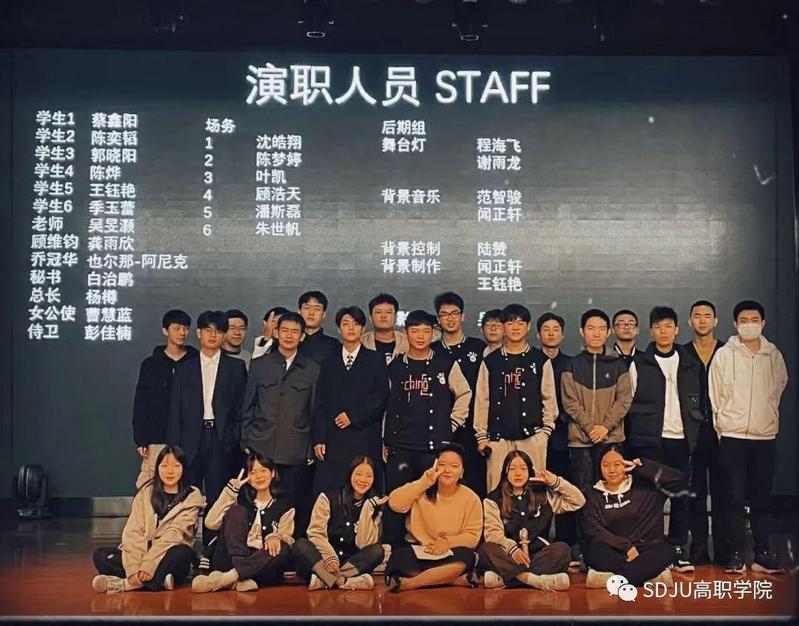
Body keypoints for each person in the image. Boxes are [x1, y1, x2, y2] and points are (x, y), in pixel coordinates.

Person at [709, 300, 788, 575]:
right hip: (732, 436)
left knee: (761, 499)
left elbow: (778, 388)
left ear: (763, 323)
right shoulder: (724, 355)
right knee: (732, 498)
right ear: (735, 324)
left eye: (754, 320)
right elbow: (715, 394)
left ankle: (762, 553)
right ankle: (736, 554)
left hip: (764, 437)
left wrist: (766, 417)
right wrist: (725, 424)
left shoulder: (773, 355)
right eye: (744, 320)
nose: (749, 325)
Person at [382, 310, 472, 543]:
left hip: (433, 447)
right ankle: (392, 548)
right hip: (400, 446)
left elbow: (464, 393)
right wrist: (384, 438)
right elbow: (384, 404)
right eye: (415, 331)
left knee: (430, 500)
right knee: (396, 500)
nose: (421, 336)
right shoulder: (394, 366)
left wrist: (452, 423)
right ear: (406, 333)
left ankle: (428, 544)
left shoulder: (445, 363)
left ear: (433, 333)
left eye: (426, 331)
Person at [626, 306, 703, 573]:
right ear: (651, 331)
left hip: (682, 440)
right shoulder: (639, 363)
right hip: (651, 441)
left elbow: (699, 401)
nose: (664, 331)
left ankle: (678, 548)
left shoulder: (690, 363)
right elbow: (629, 402)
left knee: (681, 496)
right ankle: (653, 549)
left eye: (668, 326)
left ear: (677, 329)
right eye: (658, 327)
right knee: (650, 498)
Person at [167, 310, 247, 542]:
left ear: (224, 335)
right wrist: (173, 447)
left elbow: (241, 408)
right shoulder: (184, 368)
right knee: (186, 496)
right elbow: (175, 410)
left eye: (218, 331)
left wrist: (234, 438)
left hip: (221, 440)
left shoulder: (236, 368)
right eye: (208, 330)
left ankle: (212, 548)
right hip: (190, 439)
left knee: (217, 495)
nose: (213, 335)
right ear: (199, 333)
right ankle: (182, 545)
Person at [561, 309, 632, 566]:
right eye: (591, 328)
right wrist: (591, 427)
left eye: (601, 328)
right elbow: (569, 402)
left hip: (611, 441)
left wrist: (604, 427)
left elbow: (624, 400)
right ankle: (584, 549)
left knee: (611, 495)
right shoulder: (572, 365)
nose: (596, 333)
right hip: (580, 441)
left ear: (608, 332)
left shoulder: (618, 365)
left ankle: (612, 547)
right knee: (583, 495)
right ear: (582, 331)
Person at [241, 311, 320, 538]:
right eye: (284, 330)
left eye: (295, 332)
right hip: (261, 445)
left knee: (291, 503)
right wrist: (245, 440)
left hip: (295, 449)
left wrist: (310, 448)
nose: (289, 336)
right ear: (276, 332)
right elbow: (248, 406)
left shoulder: (313, 369)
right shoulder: (259, 365)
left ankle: (288, 547)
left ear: (302, 336)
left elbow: (314, 412)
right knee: (256, 501)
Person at [92, 445, 204, 593]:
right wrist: (134, 567)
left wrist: (149, 564)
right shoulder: (146, 493)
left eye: (176, 466)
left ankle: (126, 584)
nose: (170, 471)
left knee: (182, 554)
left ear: (184, 468)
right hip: (141, 554)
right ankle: (159, 580)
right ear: (157, 468)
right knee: (101, 556)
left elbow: (174, 535)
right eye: (164, 466)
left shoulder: (192, 497)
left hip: (167, 554)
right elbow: (133, 532)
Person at [474, 304, 557, 492]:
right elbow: (482, 401)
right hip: (498, 439)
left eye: (520, 323)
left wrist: (544, 433)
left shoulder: (540, 360)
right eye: (510, 323)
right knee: (496, 490)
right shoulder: (491, 361)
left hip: (532, 436)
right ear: (503, 327)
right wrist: (481, 436)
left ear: (528, 327)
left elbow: (549, 399)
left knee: (534, 489)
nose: (515, 327)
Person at [479, 450, 584, 590]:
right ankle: (534, 580)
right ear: (505, 472)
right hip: (509, 556)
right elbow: (493, 534)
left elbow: (578, 501)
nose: (518, 473)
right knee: (486, 549)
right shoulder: (493, 499)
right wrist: (512, 550)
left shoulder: (542, 495)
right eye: (512, 468)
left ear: (530, 471)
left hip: (538, 555)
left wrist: (555, 482)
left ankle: (507, 579)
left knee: (562, 550)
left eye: (523, 468)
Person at [385, 443, 482, 592]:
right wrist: (423, 482)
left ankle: (411, 584)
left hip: (451, 552)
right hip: (422, 550)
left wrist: (447, 542)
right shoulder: (422, 490)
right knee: (399, 558)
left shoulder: (471, 498)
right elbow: (394, 503)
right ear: (435, 467)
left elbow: (472, 537)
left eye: (454, 466)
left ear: (462, 472)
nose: (447, 470)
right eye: (442, 465)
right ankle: (451, 579)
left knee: (467, 557)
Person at [192, 452, 294, 593]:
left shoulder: (284, 505)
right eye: (253, 472)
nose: (258, 476)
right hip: (230, 560)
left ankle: (229, 579)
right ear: (248, 478)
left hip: (259, 562)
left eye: (263, 470)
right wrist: (229, 492)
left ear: (272, 473)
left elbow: (286, 536)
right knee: (237, 511)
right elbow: (210, 523)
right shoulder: (239, 500)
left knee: (283, 548)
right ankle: (241, 574)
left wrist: (276, 537)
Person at [312, 306, 389, 493]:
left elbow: (381, 397)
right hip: (334, 437)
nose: (351, 328)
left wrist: (353, 417)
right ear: (339, 329)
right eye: (346, 324)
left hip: (364, 435)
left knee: (363, 488)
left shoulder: (375, 360)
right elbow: (320, 402)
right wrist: (319, 438)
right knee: (332, 488)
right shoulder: (328, 362)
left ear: (363, 328)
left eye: (356, 324)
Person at [583, 448, 684, 588]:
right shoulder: (594, 494)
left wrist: (643, 467)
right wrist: (625, 547)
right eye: (605, 465)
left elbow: (679, 480)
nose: (612, 470)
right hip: (615, 550)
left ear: (626, 464)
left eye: (617, 464)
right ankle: (649, 576)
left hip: (647, 549)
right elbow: (593, 529)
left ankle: (612, 580)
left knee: (668, 552)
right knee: (593, 552)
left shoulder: (646, 488)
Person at [293, 457, 388, 590]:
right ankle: (343, 581)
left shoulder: (374, 505)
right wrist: (330, 557)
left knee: (377, 551)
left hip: (351, 563)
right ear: (350, 475)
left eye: (369, 476)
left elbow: (365, 544)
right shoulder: (328, 497)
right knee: (300, 545)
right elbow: (315, 533)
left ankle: (326, 580)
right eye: (359, 474)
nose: (363, 480)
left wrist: (368, 508)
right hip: (325, 558)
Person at [682, 299, 726, 565]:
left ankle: (723, 551)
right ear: (690, 322)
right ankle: (698, 550)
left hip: (723, 432)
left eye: (707, 315)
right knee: (695, 494)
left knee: (723, 493)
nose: (702, 320)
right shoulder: (683, 353)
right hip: (693, 433)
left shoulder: (727, 351)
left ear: (715, 321)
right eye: (696, 315)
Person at [132, 309, 197, 489]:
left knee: (186, 483)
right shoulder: (151, 364)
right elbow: (141, 402)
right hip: (157, 434)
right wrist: (141, 438)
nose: (182, 333)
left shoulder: (196, 361)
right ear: (165, 331)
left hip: (188, 435)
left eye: (185, 329)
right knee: (152, 484)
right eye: (177, 328)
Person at [431, 292, 487, 497]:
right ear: (438, 319)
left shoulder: (478, 348)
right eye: (444, 314)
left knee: (474, 482)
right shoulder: (432, 350)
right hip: (441, 428)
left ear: (463, 316)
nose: (450, 318)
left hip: (473, 428)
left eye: (454, 313)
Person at [536, 312, 577, 556]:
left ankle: (566, 542)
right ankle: (537, 540)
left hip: (564, 437)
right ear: (538, 334)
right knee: (537, 490)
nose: (551, 334)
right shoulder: (530, 361)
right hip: (535, 437)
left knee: (562, 487)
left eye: (555, 329)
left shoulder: (571, 364)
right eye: (546, 329)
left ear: (562, 334)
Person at [361, 293, 408, 364]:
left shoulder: (407, 342)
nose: (383, 316)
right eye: (378, 312)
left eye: (388, 312)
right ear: (370, 318)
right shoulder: (361, 342)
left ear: (396, 317)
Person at [298, 291, 341, 364]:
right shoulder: (289, 341)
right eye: (307, 308)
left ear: (324, 315)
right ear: (299, 312)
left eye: (317, 309)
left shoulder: (334, 345)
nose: (311, 313)